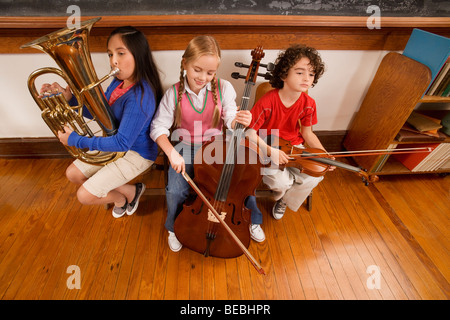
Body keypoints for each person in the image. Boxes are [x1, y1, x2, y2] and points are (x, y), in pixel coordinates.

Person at [150, 35, 264, 252]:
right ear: (185, 63)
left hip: (217, 146)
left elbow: (230, 120)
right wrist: (172, 153)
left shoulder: (225, 88)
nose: (203, 77)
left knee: (242, 180)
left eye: (210, 73)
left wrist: (240, 120)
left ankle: (253, 219)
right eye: (197, 70)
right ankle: (173, 226)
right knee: (175, 190)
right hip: (185, 147)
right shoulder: (173, 93)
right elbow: (158, 128)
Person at [40, 26, 163, 218]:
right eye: (110, 54)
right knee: (73, 174)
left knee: (83, 196)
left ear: (138, 55)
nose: (114, 60)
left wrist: (77, 140)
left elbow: (123, 143)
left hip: (136, 154)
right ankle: (130, 192)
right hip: (118, 143)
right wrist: (69, 98)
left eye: (121, 53)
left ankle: (121, 199)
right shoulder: (117, 82)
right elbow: (101, 114)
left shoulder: (140, 97)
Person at [246, 44, 334, 220]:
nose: (306, 78)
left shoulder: (309, 103)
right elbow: (249, 133)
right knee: (280, 182)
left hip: (295, 147)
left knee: (316, 177)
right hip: (267, 147)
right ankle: (286, 189)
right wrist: (272, 152)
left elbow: (308, 133)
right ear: (284, 74)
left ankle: (284, 200)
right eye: (300, 72)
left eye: (311, 74)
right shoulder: (267, 101)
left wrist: (324, 155)